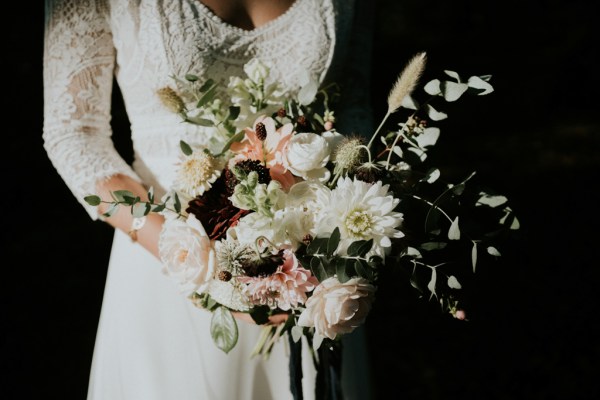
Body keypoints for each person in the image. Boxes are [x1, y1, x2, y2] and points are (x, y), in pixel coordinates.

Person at [43, 0, 375, 399]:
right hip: (163, 264)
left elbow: (353, 105)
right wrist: (197, 263)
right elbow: (74, 134)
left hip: (307, 276)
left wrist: (330, 227)